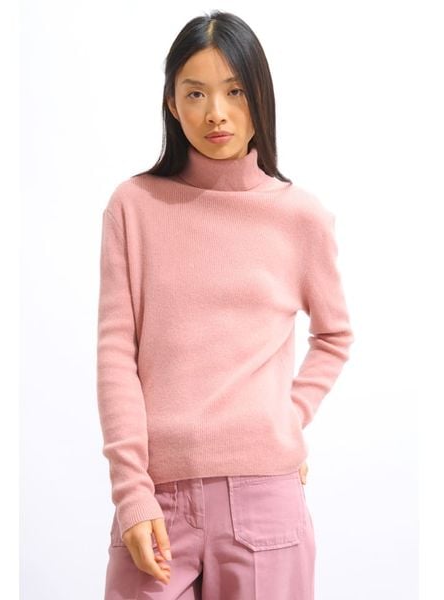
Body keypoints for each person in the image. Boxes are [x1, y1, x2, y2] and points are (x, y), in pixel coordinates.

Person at [96, 9, 354, 600]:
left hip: (266, 498)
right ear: (171, 103)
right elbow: (115, 354)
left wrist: (287, 417)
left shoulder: (301, 217)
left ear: (260, 95)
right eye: (196, 93)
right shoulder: (133, 207)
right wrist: (132, 494)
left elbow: (335, 335)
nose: (216, 112)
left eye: (235, 91)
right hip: (156, 503)